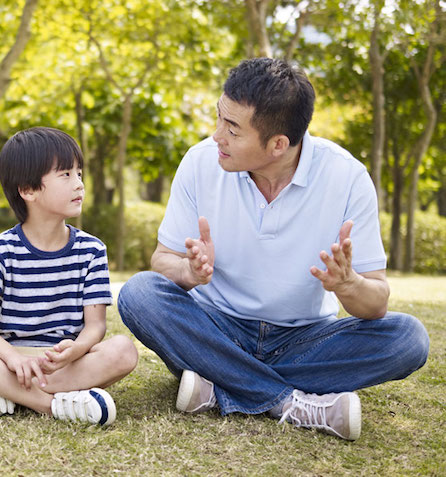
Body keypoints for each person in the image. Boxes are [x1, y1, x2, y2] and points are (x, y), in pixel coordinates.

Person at [117, 58, 429, 441]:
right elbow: (161, 261)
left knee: (408, 338)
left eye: (232, 129)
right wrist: (188, 273)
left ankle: (221, 386)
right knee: (138, 293)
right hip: (216, 328)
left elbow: (376, 303)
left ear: (278, 145)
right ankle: (289, 403)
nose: (217, 136)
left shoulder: (347, 178)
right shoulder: (200, 163)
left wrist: (348, 284)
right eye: (219, 119)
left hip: (304, 339)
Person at [0, 127, 138, 426]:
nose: (79, 184)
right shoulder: (1, 248)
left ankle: (1, 393)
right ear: (28, 190)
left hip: (63, 363)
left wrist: (76, 350)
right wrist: (11, 358)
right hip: (8, 358)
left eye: (79, 173)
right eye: (66, 175)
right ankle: (52, 405)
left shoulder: (92, 250)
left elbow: (96, 326)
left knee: (123, 351)